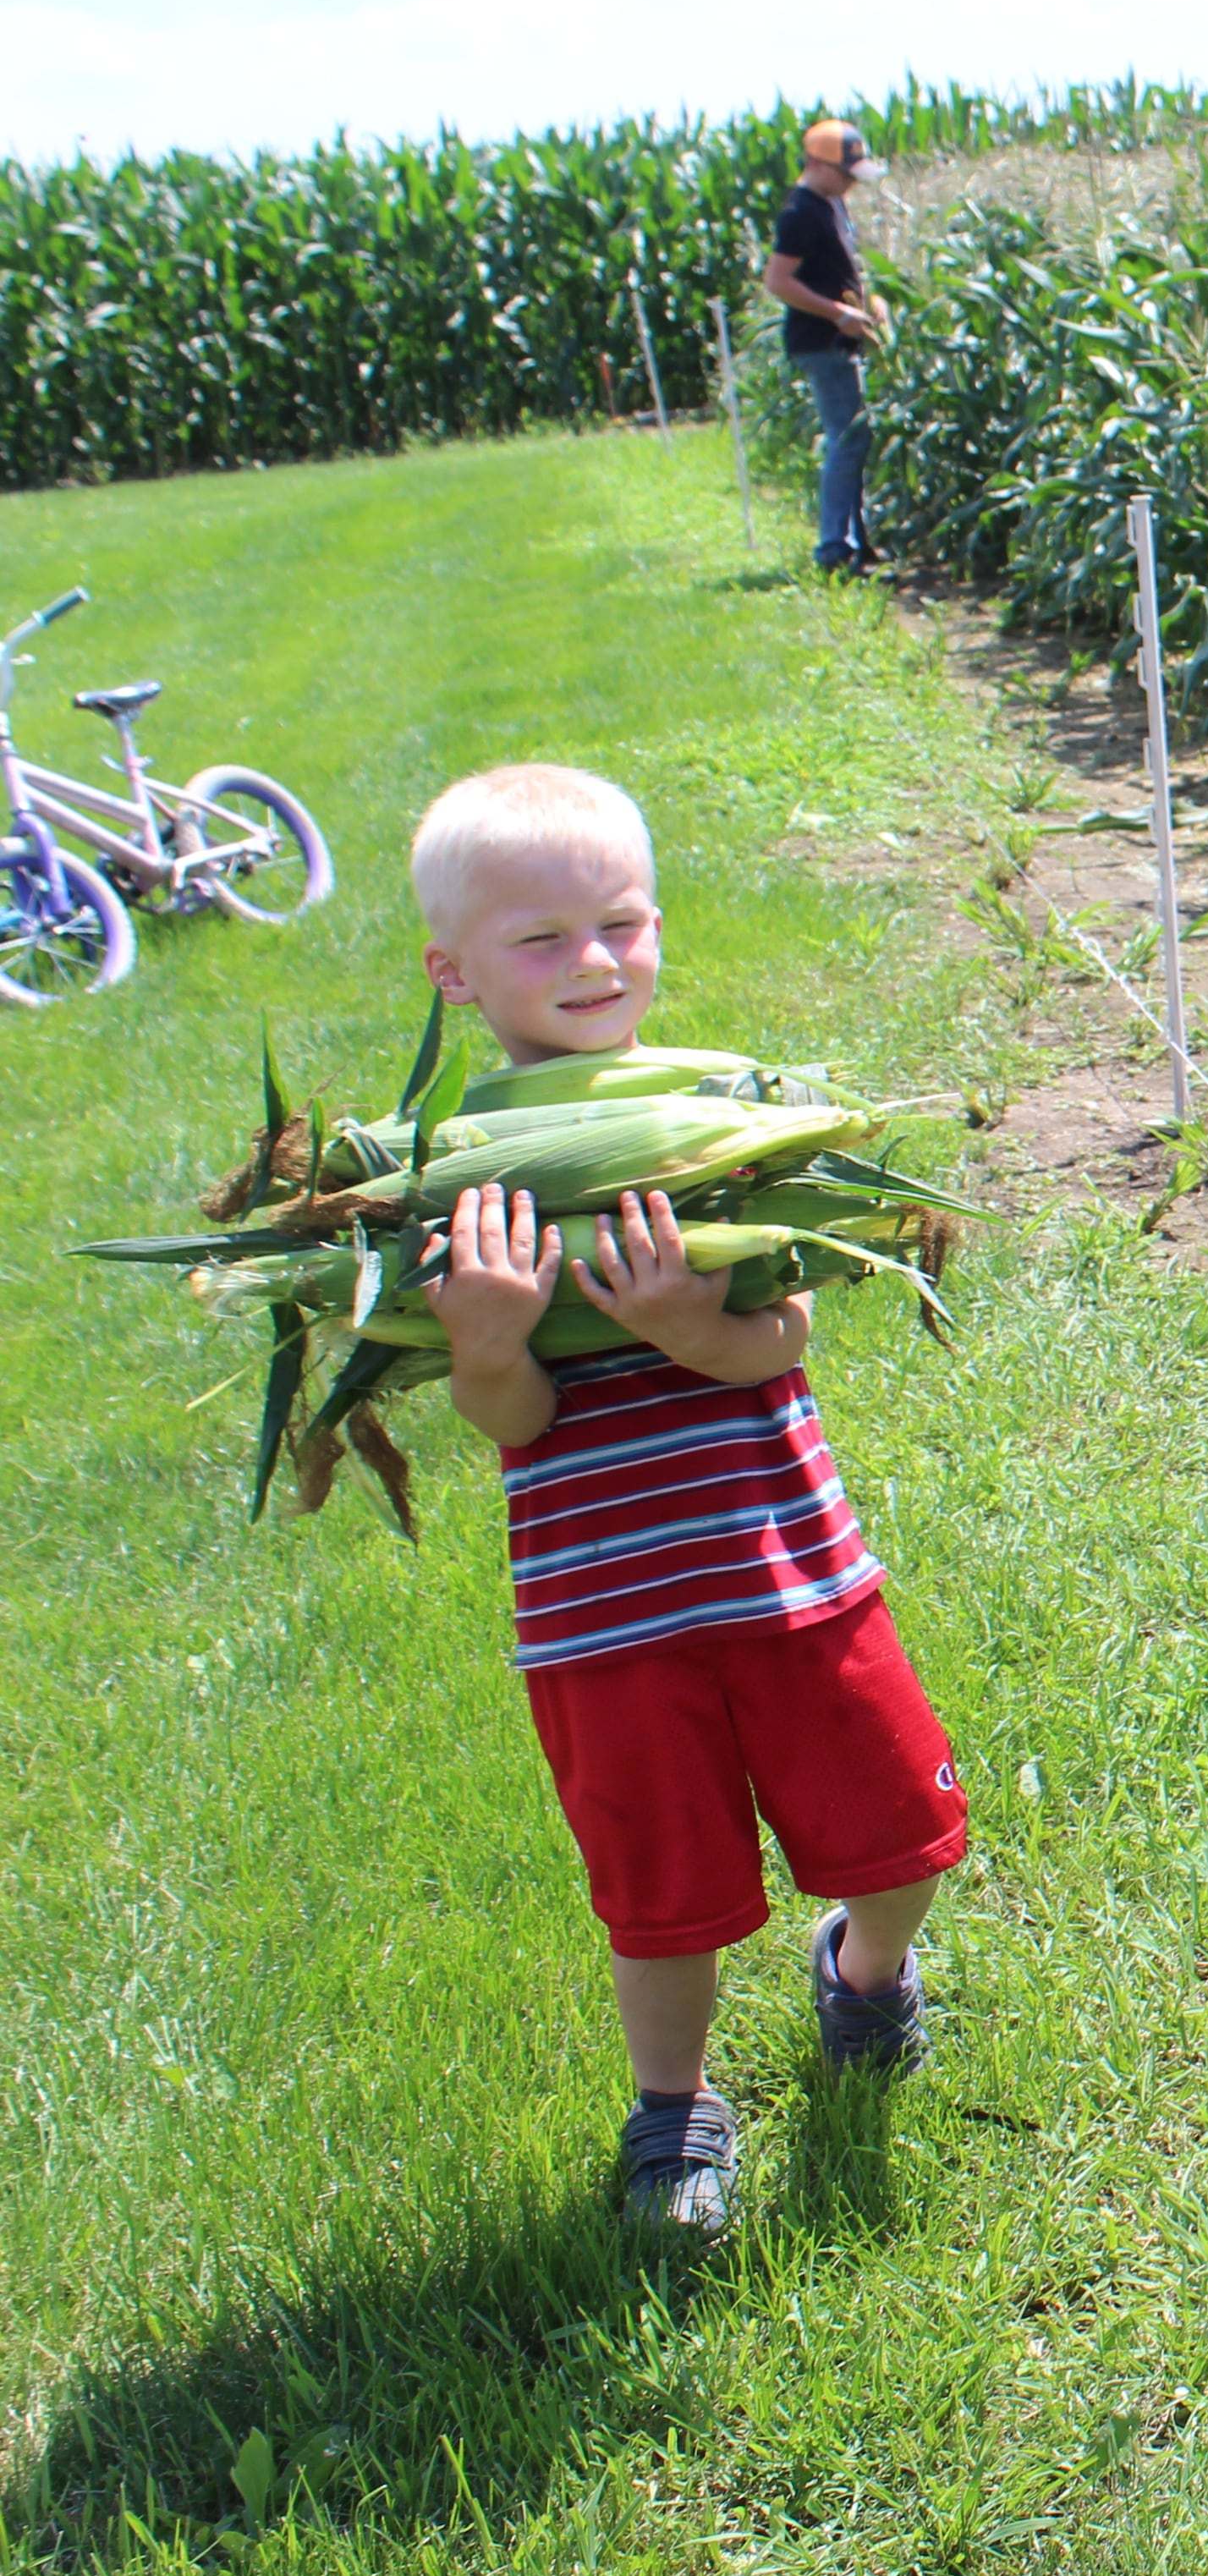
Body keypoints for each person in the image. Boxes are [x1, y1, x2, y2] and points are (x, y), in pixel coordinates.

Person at [413, 763, 970, 2237]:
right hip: (610, 1609)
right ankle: (673, 2110)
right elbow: (512, 1419)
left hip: (793, 1572)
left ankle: (865, 1970)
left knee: (906, 1836)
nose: (593, 961)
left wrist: (684, 1328)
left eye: (622, 922)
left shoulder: (719, 1112)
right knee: (662, 1892)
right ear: (451, 972)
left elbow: (781, 1343)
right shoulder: (461, 1180)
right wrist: (484, 1334)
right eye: (542, 939)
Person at [764, 118, 888, 576]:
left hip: (841, 337)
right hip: (821, 342)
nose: (851, 182)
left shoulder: (832, 205)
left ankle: (858, 541)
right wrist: (837, 313)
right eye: (845, 172)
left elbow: (843, 270)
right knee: (847, 438)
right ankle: (834, 549)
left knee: (856, 438)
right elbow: (778, 282)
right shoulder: (801, 212)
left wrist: (869, 301)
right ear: (816, 163)